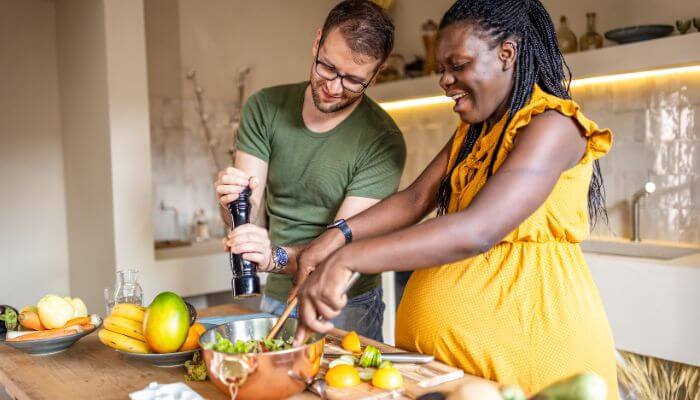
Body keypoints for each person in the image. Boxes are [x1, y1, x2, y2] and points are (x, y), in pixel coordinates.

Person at [293, 0, 619, 396]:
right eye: (442, 69)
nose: (445, 80)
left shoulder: (554, 126)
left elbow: (477, 229)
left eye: (458, 65)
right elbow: (415, 200)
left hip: (534, 367)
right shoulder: (476, 132)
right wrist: (335, 237)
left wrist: (346, 261)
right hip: (454, 377)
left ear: (507, 53)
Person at [215, 0, 406, 342]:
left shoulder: (384, 140)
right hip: (275, 294)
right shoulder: (265, 108)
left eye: (353, 81)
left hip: (345, 301)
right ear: (317, 42)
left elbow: (337, 247)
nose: (333, 87)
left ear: (376, 74)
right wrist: (232, 209)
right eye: (327, 67)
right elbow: (242, 213)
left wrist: (272, 256)